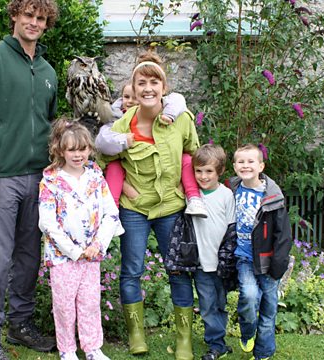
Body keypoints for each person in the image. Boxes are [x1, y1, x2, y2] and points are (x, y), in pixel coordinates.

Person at [0, 0, 59, 359]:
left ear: (47, 23)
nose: (34, 22)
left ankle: (20, 325)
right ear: (15, 16)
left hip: (40, 180)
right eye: (28, 15)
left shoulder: (48, 70)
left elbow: (49, 125)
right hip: (0, 177)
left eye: (40, 17)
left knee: (29, 258)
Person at [99, 52, 199, 360]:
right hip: (135, 209)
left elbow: (192, 155)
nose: (147, 88)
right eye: (141, 82)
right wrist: (125, 186)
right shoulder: (120, 126)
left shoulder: (181, 120)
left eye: (154, 82)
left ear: (164, 86)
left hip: (170, 207)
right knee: (131, 272)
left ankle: (183, 340)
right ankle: (136, 335)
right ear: (133, 87)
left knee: (179, 271)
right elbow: (105, 159)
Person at [38, 120, 124, 360]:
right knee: (64, 306)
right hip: (63, 257)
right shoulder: (51, 182)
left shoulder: (96, 176)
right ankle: (67, 350)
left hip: (92, 254)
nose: (78, 154)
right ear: (60, 150)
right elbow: (48, 223)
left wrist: (98, 244)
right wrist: (74, 251)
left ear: (90, 149)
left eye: (82, 149)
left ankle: (92, 348)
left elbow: (110, 212)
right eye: (72, 149)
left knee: (89, 302)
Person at [96, 83, 208, 218]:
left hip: (168, 198)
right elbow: (103, 144)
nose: (130, 101)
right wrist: (122, 140)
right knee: (114, 166)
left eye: (134, 98)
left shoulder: (165, 114)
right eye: (126, 97)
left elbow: (177, 100)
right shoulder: (116, 118)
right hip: (133, 193)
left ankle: (194, 197)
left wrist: (170, 114)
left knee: (186, 159)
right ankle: (111, 213)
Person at [228, 144, 293, 360]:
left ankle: (264, 351)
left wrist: (278, 265)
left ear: (261, 166)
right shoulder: (232, 189)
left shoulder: (273, 197)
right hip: (244, 258)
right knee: (248, 295)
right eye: (241, 162)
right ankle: (247, 332)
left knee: (268, 309)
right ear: (235, 166)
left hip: (268, 261)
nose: (245, 165)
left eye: (250, 161)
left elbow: (283, 235)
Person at [189, 144, 235, 360]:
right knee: (207, 306)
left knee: (220, 304)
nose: (203, 176)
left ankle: (220, 341)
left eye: (208, 171)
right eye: (198, 171)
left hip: (221, 263)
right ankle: (215, 344)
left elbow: (231, 229)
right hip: (201, 263)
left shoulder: (226, 195)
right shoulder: (192, 194)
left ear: (220, 171)